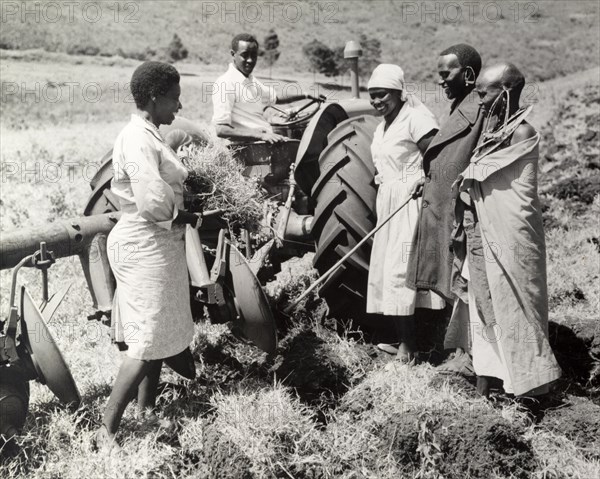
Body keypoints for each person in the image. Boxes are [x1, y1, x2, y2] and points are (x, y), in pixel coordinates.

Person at [95, 61, 201, 450]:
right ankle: (105, 429)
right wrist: (187, 214)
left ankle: (147, 410)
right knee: (144, 341)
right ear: (155, 98)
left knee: (155, 333)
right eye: (174, 97)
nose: (179, 105)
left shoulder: (149, 135)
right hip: (143, 242)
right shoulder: (136, 138)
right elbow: (153, 199)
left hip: (158, 244)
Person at [446, 63, 561, 397]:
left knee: (516, 307)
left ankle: (526, 385)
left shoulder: (521, 133)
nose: (479, 100)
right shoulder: (491, 132)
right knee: (483, 309)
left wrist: (464, 177)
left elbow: (486, 180)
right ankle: (487, 381)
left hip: (511, 235)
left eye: (484, 93)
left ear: (506, 92)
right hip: (483, 232)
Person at [405, 44, 485, 374]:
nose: (441, 81)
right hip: (444, 208)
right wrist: (431, 178)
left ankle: (474, 357)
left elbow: (479, 158)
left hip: (463, 212)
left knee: (469, 282)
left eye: (446, 74)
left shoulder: (481, 110)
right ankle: (463, 352)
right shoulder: (459, 108)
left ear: (467, 74)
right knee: (454, 280)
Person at [366, 64, 446, 363]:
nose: (377, 101)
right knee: (389, 271)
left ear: (399, 93)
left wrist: (424, 182)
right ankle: (402, 338)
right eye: (372, 96)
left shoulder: (416, 118)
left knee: (402, 272)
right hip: (388, 199)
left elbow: (437, 157)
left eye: (382, 94)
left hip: (410, 202)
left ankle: (410, 346)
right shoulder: (381, 126)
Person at [212, 33, 322, 143]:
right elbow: (221, 129)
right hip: (249, 148)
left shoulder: (252, 81)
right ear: (233, 54)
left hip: (263, 142)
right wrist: (260, 136)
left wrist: (306, 94)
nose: (250, 60)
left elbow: (276, 97)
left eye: (253, 55)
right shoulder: (225, 83)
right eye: (245, 55)